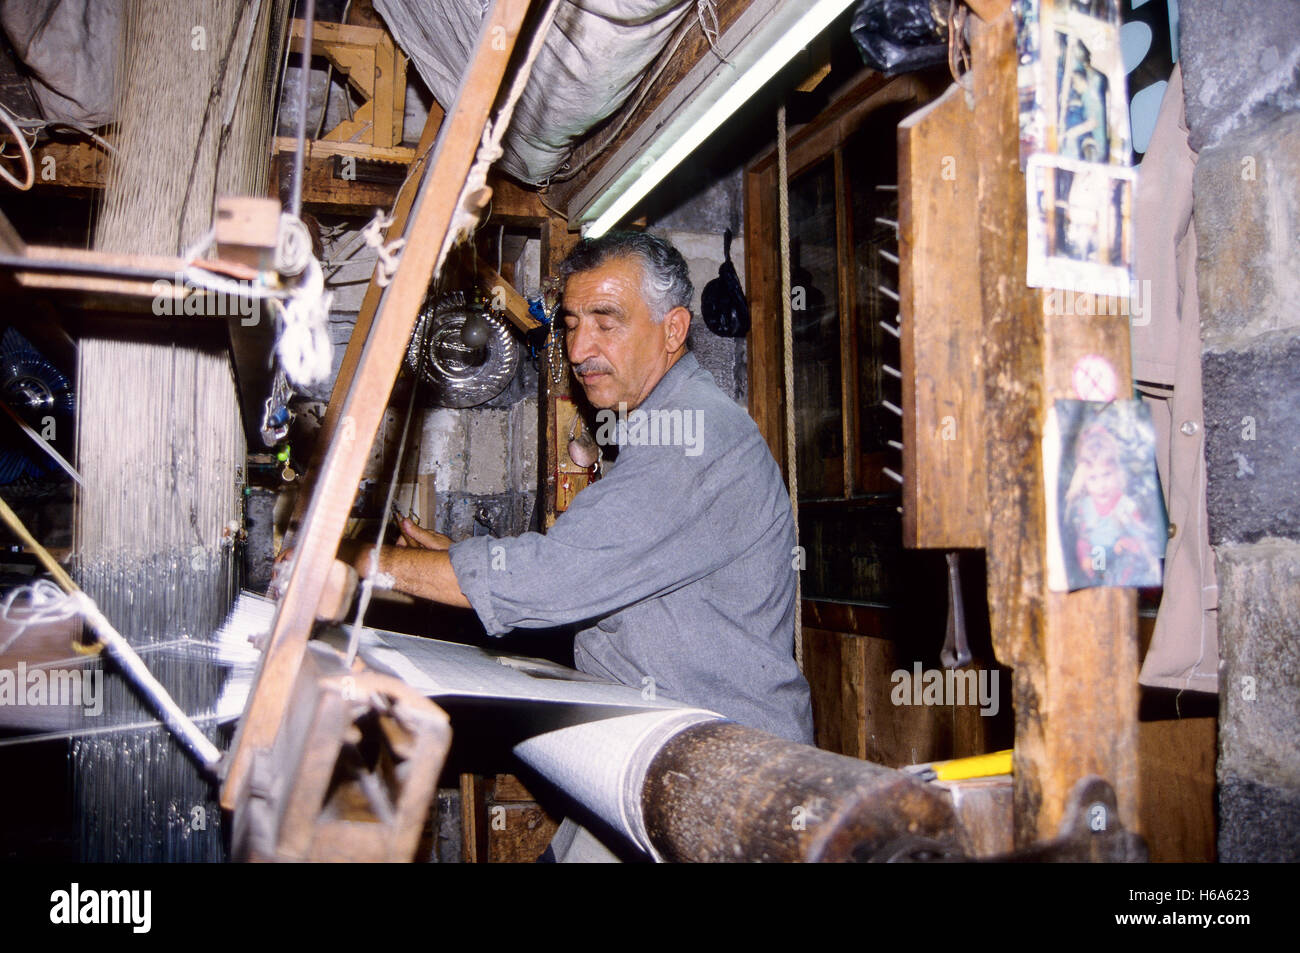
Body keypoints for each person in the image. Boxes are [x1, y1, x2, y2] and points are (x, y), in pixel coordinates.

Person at [344, 231, 814, 746]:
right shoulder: (663, 424)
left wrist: (364, 563)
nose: (579, 349)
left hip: (734, 759)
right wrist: (462, 560)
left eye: (606, 323)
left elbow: (553, 580)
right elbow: (594, 571)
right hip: (661, 735)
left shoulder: (694, 437)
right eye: (570, 325)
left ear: (673, 329)